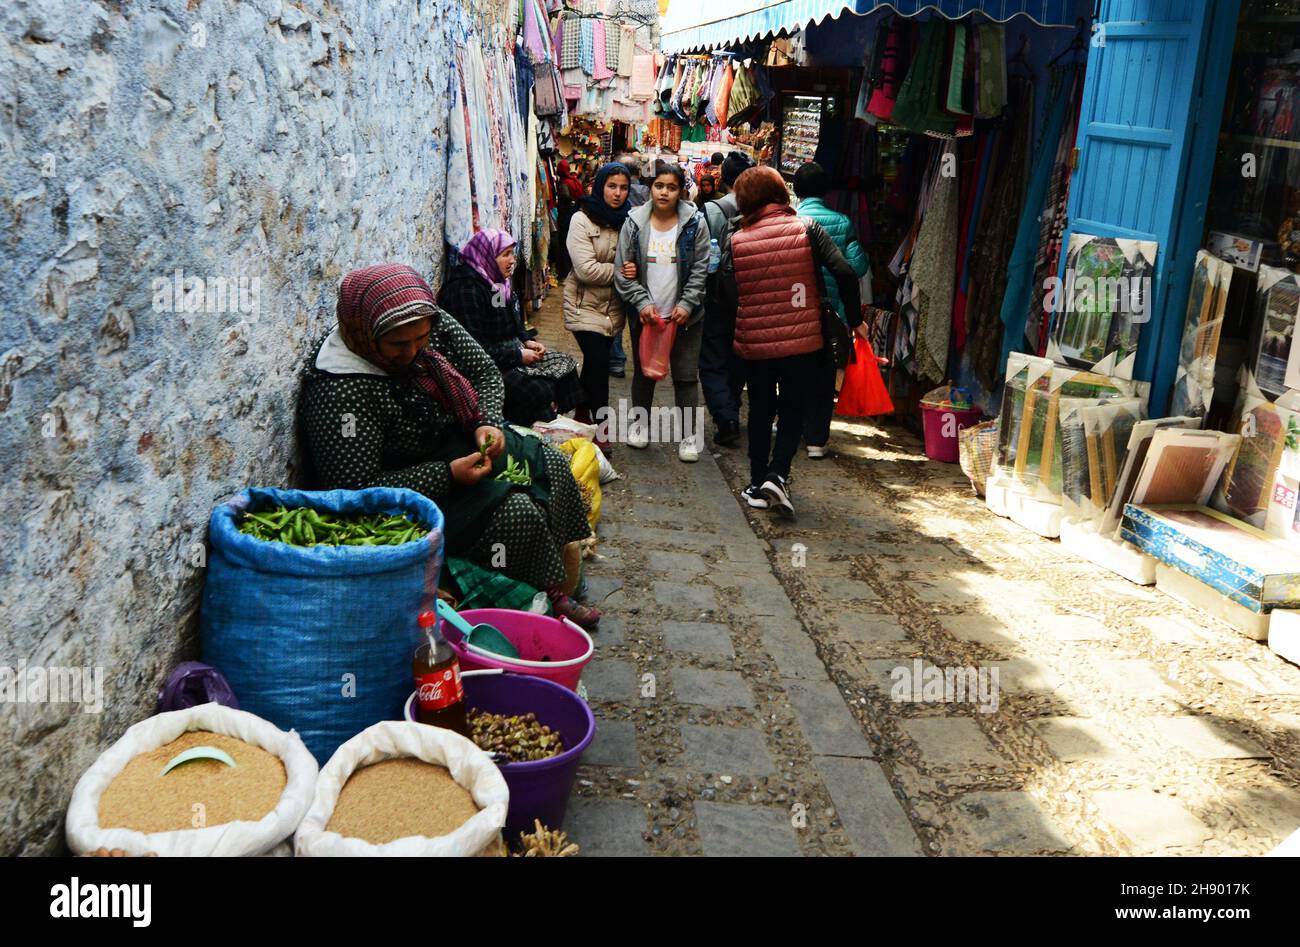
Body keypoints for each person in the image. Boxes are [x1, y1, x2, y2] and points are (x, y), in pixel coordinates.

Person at [300, 264, 600, 628]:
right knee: (517, 514)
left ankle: (560, 580)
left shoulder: (429, 321)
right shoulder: (340, 389)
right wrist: (447, 475)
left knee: (549, 462)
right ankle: (536, 602)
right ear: (365, 332)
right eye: (398, 344)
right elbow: (353, 489)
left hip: (460, 439)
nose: (412, 352)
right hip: (411, 493)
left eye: (420, 340)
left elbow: (485, 372)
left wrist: (485, 421)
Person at [719, 166, 860, 517]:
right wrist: (855, 320)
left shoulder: (737, 239)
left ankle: (755, 483)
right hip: (804, 340)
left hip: (756, 342)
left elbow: (725, 292)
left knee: (762, 408)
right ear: (781, 193)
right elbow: (844, 271)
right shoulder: (807, 229)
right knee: (794, 406)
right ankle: (778, 473)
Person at [614, 159, 711, 462]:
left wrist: (687, 303)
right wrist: (641, 302)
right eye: (659, 186)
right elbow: (622, 269)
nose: (664, 193)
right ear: (650, 188)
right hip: (646, 315)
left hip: (685, 317)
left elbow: (700, 269)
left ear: (681, 191)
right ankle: (639, 426)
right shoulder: (634, 222)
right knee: (644, 371)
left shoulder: (695, 223)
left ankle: (689, 437)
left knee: (685, 376)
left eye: (671, 187)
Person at [438, 229, 584, 427]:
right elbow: (475, 350)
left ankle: (549, 419)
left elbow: (510, 319)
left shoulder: (495, 284)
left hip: (507, 352)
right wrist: (517, 356)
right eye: (505, 254)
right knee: (538, 390)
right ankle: (534, 427)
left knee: (566, 366)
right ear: (486, 255)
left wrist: (527, 340)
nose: (512, 260)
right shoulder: (465, 290)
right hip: (484, 366)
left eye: (512, 254)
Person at [793, 161, 872, 459]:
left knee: (794, 372)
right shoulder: (842, 222)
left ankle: (790, 423)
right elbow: (857, 266)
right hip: (832, 314)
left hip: (796, 310)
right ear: (826, 190)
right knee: (824, 376)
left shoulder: (792, 220)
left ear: (797, 190)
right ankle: (816, 441)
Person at [564, 162, 633, 454]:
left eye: (623, 187)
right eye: (611, 186)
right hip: (582, 305)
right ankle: (601, 428)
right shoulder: (581, 219)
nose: (617, 193)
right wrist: (622, 272)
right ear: (600, 185)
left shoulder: (629, 221)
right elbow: (586, 270)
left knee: (595, 362)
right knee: (599, 361)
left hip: (612, 309)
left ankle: (581, 411)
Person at [699, 150, 755, 447]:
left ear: (724, 178)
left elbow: (701, 256)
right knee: (739, 356)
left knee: (711, 357)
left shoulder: (711, 210)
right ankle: (732, 406)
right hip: (751, 295)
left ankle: (726, 415)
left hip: (718, 294)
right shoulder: (761, 208)